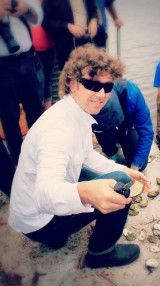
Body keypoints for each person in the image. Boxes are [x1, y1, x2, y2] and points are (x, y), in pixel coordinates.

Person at [9, 44, 150, 269]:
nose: (101, 94)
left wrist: (126, 169)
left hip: (29, 215)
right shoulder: (58, 129)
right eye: (92, 84)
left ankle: (57, 236)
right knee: (120, 186)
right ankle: (101, 253)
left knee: (117, 174)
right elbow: (45, 194)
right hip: (39, 220)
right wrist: (87, 192)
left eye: (107, 86)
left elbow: (85, 155)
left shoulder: (73, 111)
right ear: (72, 84)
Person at [0, 0, 44, 166]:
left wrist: (26, 7)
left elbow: (38, 18)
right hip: (2, 65)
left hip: (27, 59)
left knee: (36, 110)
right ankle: (20, 165)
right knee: (9, 117)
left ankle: (42, 155)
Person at [92, 79, 154, 171]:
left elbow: (146, 133)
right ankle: (112, 152)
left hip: (126, 125)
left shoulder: (131, 92)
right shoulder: (82, 100)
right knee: (105, 140)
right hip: (103, 129)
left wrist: (136, 165)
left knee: (140, 164)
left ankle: (121, 137)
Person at [42, 0, 98, 70]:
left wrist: (94, 20)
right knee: (70, 77)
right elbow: (46, 23)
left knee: (91, 74)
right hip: (67, 47)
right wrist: (68, 26)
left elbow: (93, 10)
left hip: (88, 42)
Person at [30, 0, 56, 111]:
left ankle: (47, 114)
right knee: (39, 82)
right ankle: (39, 115)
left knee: (48, 81)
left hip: (50, 47)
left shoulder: (49, 2)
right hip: (33, 50)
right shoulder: (26, 3)